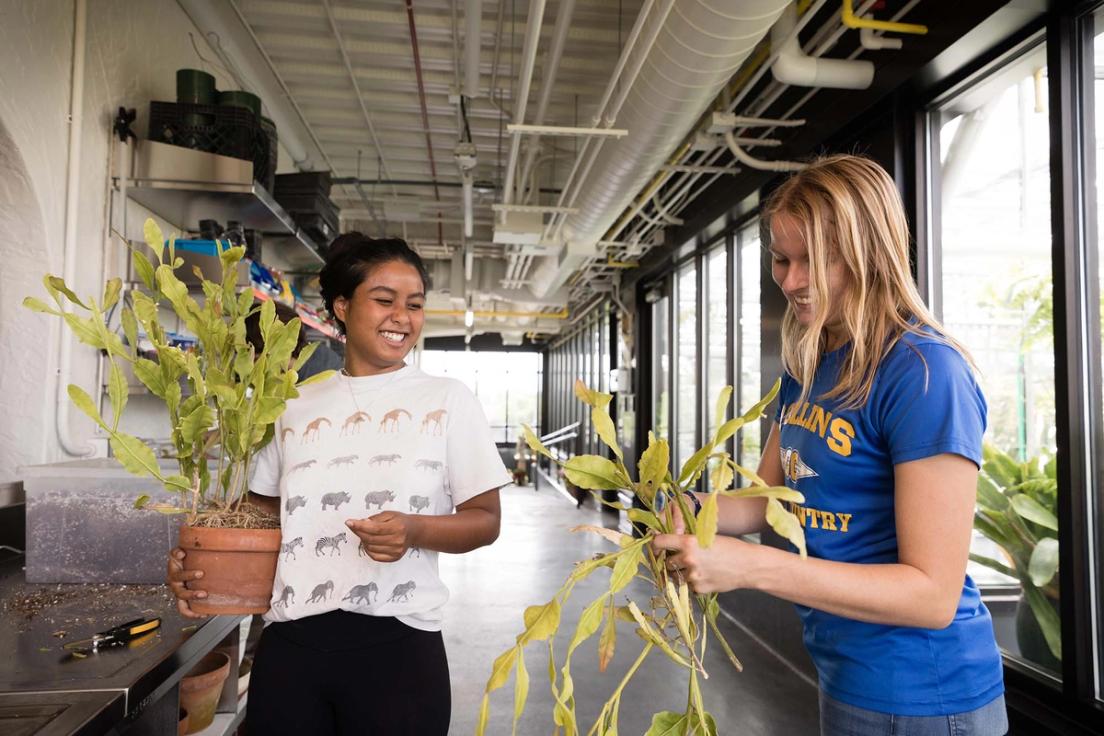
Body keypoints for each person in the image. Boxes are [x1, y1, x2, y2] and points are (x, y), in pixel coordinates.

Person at [653, 155, 1007, 735]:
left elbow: (931, 596)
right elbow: (770, 499)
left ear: (868, 254)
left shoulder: (924, 374)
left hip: (927, 697)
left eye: (811, 261)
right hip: (844, 675)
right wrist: (689, 511)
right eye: (780, 259)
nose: (790, 282)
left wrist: (753, 567)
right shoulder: (811, 362)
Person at [168, 232, 512, 735]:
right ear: (342, 307)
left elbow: (485, 522)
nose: (402, 317)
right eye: (384, 300)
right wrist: (200, 561)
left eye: (414, 305)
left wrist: (413, 530)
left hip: (399, 651)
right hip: (291, 648)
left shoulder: (448, 400)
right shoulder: (292, 403)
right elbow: (262, 514)